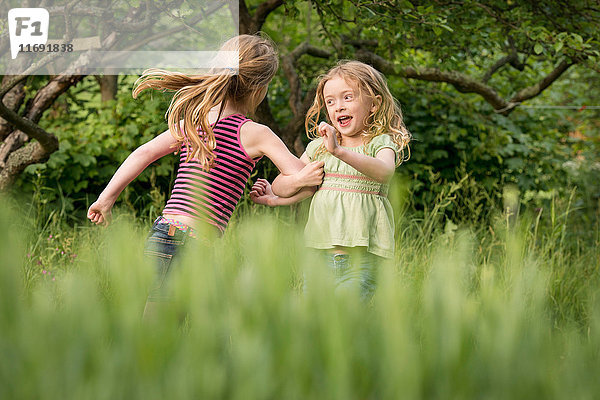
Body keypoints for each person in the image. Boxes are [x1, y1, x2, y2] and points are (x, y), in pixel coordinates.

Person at [87, 35, 324, 313]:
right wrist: (284, 189)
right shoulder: (255, 133)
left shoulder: (193, 122)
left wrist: (106, 199)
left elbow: (143, 153)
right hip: (193, 242)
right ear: (260, 88)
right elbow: (304, 179)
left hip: (165, 234)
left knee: (170, 325)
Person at [250, 60, 411, 299]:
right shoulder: (319, 148)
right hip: (318, 258)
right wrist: (299, 179)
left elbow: (384, 172)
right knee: (315, 325)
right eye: (331, 101)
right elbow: (281, 186)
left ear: (374, 105)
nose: (338, 107)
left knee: (347, 325)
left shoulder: (380, 143)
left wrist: (339, 151)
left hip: (363, 261)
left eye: (348, 97)